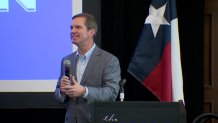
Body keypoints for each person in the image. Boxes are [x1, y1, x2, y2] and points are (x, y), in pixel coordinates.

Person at [54, 13, 121, 123]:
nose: (72, 31)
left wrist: (85, 91)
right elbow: (58, 96)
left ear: (91, 32)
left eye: (78, 27)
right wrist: (62, 91)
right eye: (71, 28)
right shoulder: (67, 60)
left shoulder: (109, 60)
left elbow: (111, 93)